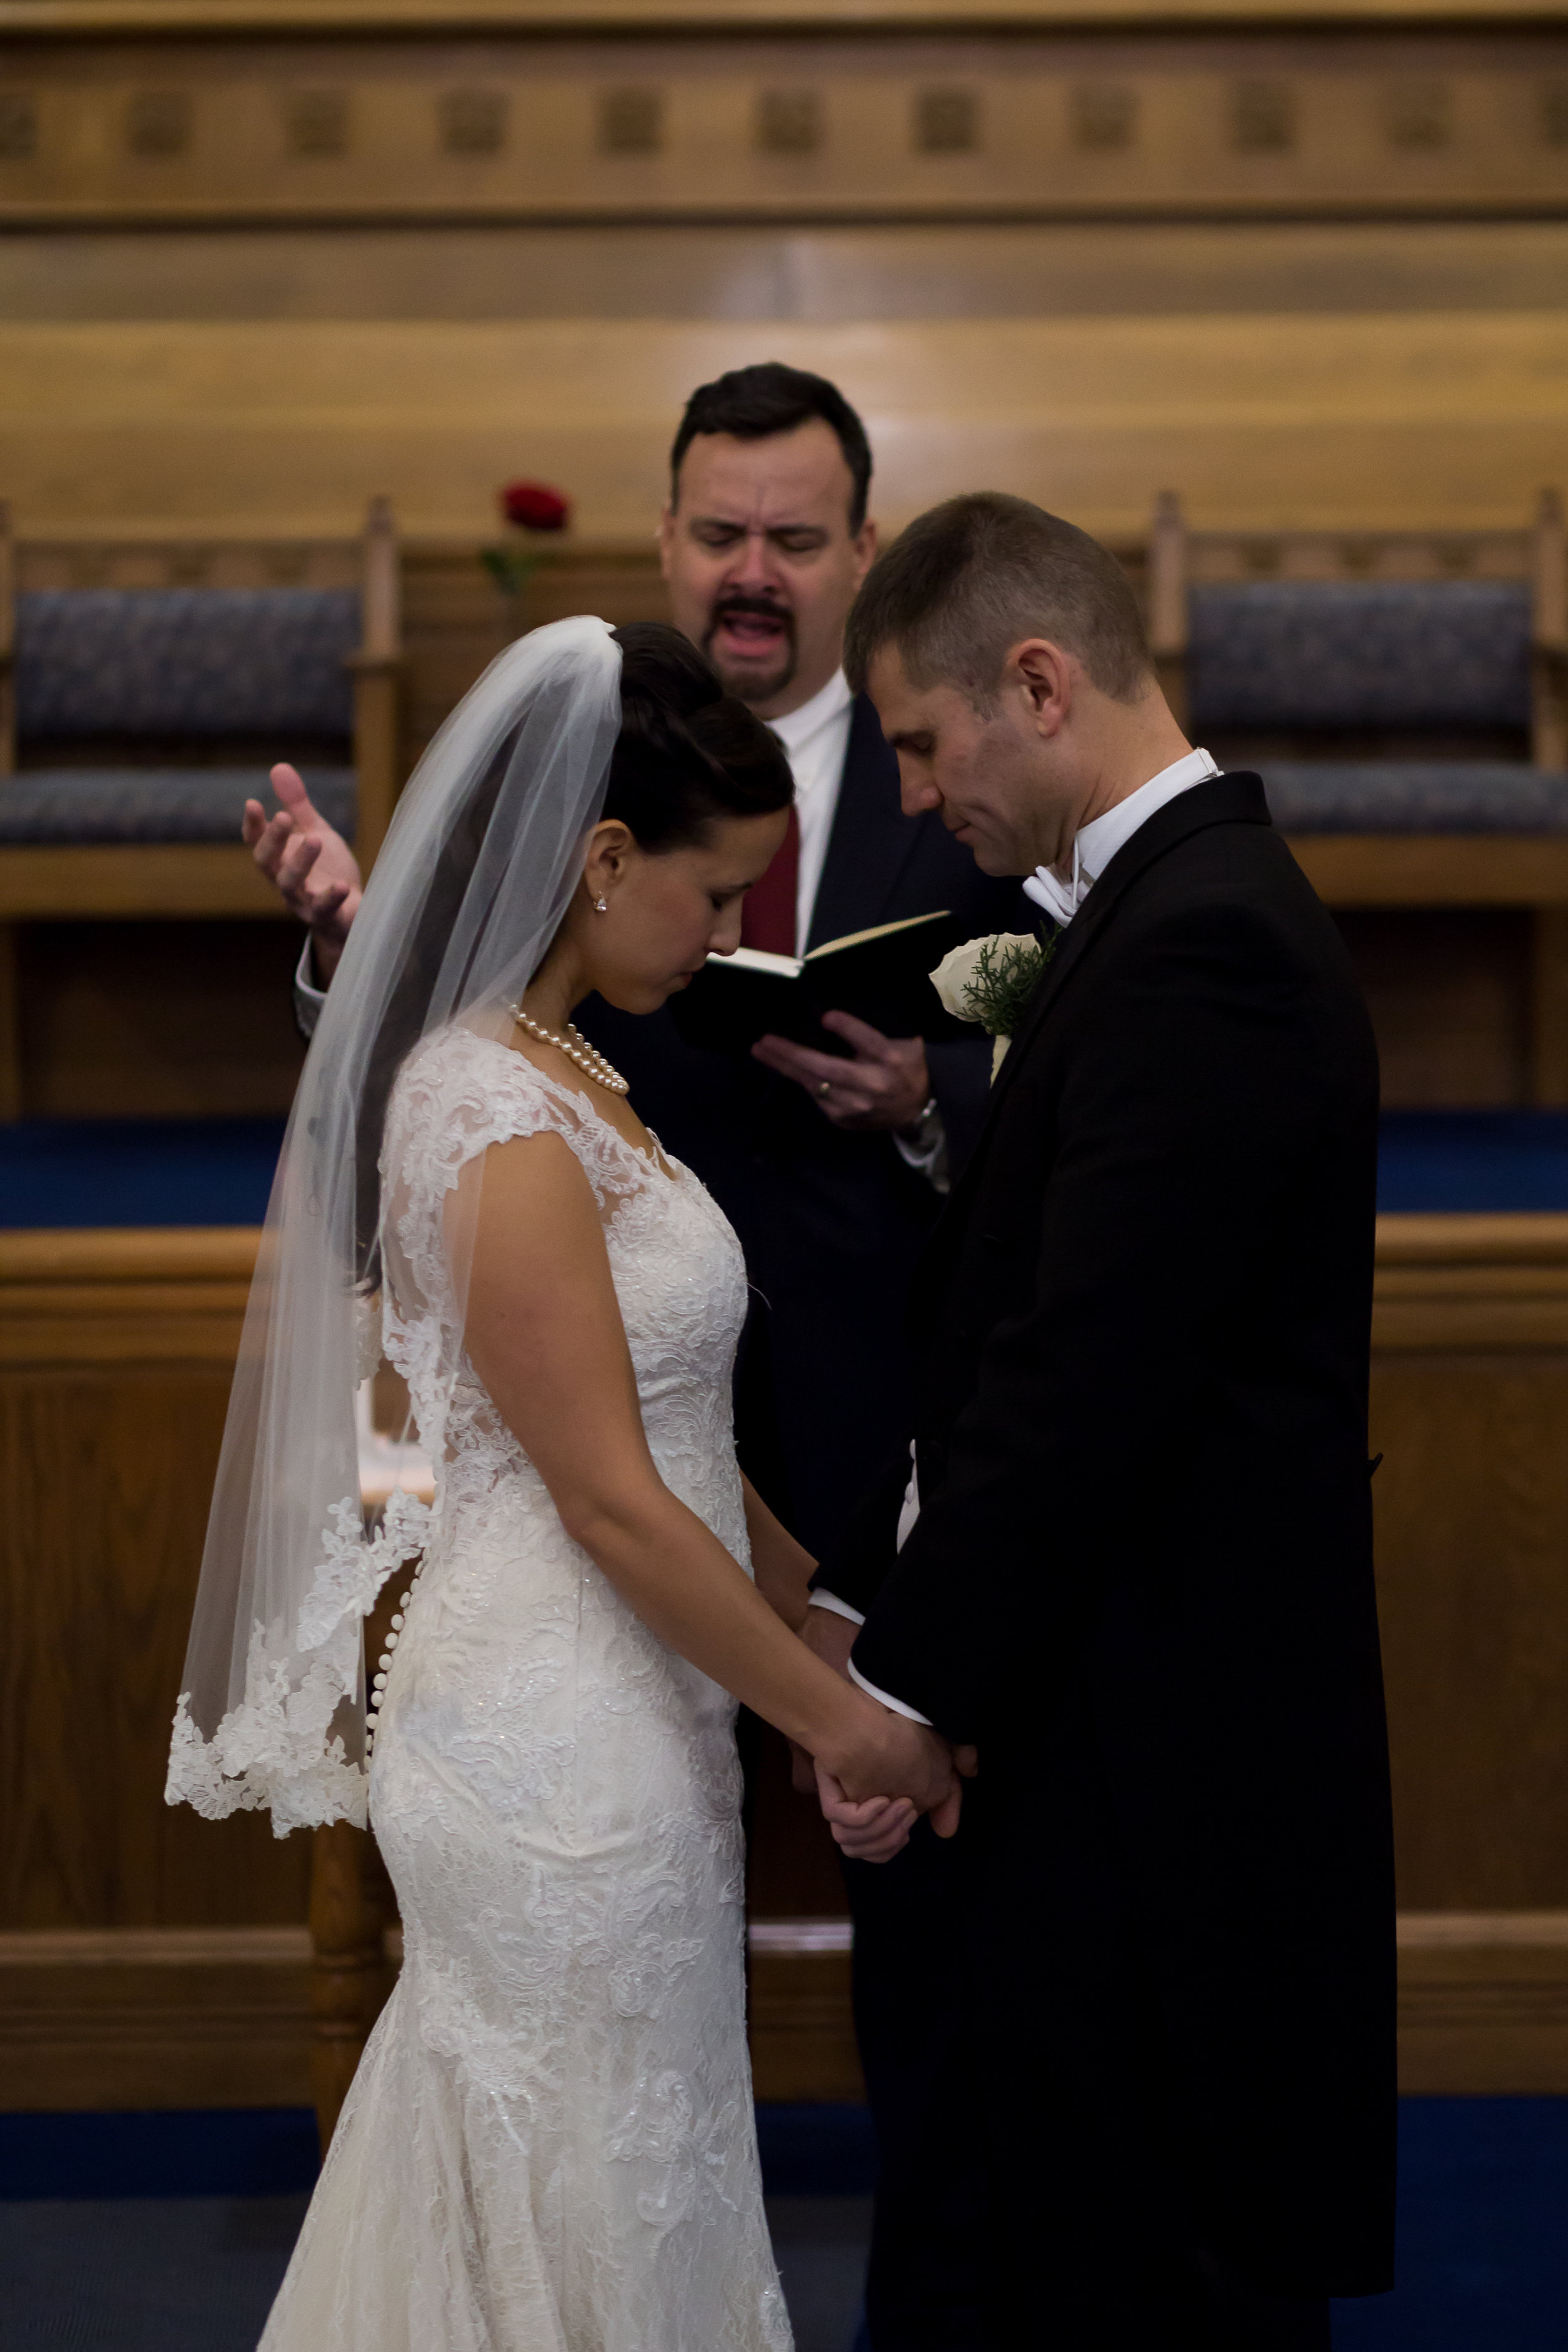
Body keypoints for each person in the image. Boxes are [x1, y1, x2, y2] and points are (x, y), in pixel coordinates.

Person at [167, 618, 964, 2349]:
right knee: (571, 2189)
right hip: (551, 1744)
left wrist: (831, 1627)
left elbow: (678, 1427)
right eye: (716, 891)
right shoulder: (493, 1114)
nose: (739, 932)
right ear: (603, 860)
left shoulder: (570, 1066)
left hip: (632, 1710)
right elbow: (606, 1496)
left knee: (625, 2174)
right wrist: (846, 1735)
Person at [811, 496, 1397, 2349]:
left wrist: (895, 1697)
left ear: (1037, 682)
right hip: (1115, 1717)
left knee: (1156, 2270)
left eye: (920, 737)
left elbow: (1084, 1380)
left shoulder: (1200, 941)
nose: (912, 795)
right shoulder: (1159, 911)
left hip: (1168, 1751)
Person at [245, 362, 1030, 1556]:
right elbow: (423, 1069)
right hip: (598, 1361)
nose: (753, 572)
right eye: (721, 534)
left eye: (795, 540)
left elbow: (1072, 1031)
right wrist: (352, 951)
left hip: (877, 1364)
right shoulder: (557, 771)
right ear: (668, 539)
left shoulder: (951, 770)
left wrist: (937, 1096)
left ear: (864, 549)